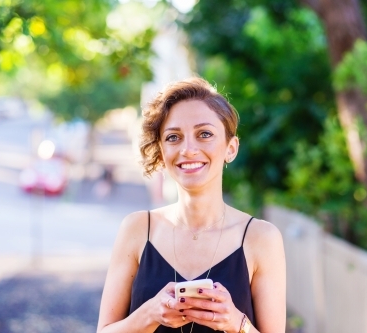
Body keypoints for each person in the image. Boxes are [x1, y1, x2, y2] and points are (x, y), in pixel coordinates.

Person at [97, 77, 286, 333]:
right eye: (174, 137)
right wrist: (150, 314)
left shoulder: (261, 238)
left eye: (204, 134)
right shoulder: (137, 228)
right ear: (161, 150)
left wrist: (236, 323)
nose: (188, 149)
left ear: (231, 148)